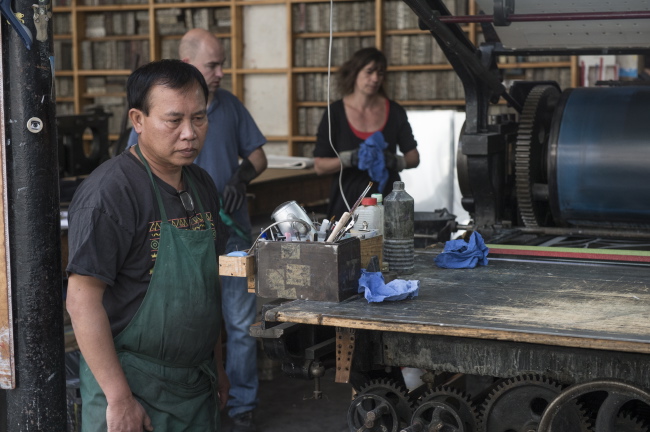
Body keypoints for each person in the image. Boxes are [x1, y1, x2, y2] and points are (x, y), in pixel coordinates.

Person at [66, 59, 230, 431]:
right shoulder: (110, 193)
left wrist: (218, 367)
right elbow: (81, 301)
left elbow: (207, 289)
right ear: (138, 120)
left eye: (199, 118)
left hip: (195, 385)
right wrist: (119, 398)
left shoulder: (202, 184)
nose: (189, 133)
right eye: (174, 120)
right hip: (132, 388)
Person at [127, 28, 267, 432]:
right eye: (213, 65)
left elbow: (258, 156)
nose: (221, 73)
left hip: (230, 233)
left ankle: (241, 403)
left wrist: (240, 178)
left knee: (238, 322)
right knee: (188, 316)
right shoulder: (151, 119)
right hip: (178, 237)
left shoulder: (230, 105)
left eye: (198, 118)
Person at [313, 47, 420, 219]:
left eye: (380, 73)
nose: (375, 78)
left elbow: (414, 158)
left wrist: (394, 161)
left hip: (387, 201)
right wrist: (350, 158)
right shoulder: (335, 113)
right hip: (346, 203)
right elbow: (319, 166)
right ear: (355, 72)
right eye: (369, 72)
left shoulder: (395, 111)